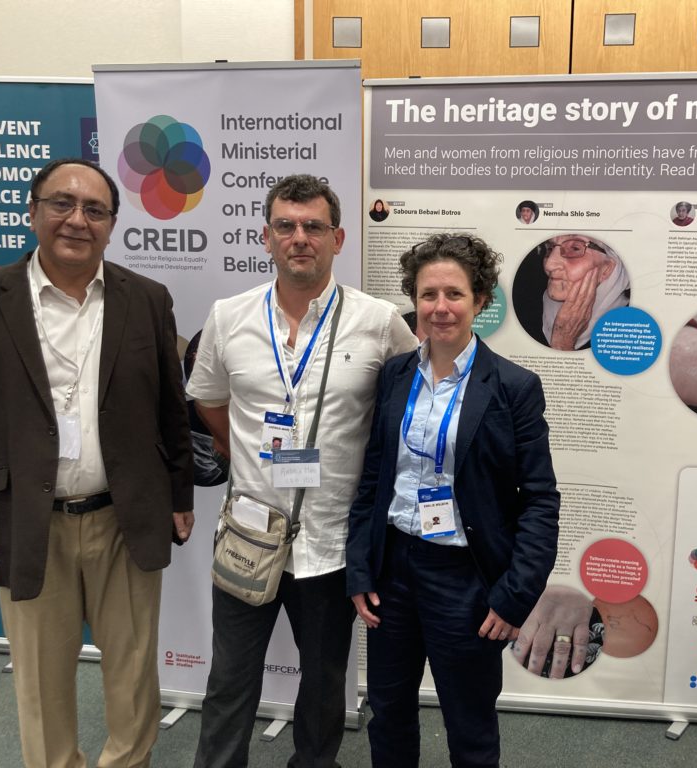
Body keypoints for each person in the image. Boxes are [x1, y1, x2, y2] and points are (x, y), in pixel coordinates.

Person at [0, 157, 195, 768]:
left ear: (112, 224)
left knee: (133, 672)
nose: (77, 220)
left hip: (124, 518)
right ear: (33, 212)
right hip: (26, 523)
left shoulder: (146, 299)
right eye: (62, 204)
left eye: (95, 210)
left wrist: (180, 494)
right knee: (42, 681)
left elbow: (169, 409)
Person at [187, 174, 416, 768]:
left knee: (324, 683)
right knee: (229, 680)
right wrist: (242, 454)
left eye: (314, 226)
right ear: (265, 236)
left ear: (337, 238)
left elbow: (412, 406)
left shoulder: (380, 321)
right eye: (285, 226)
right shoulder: (229, 316)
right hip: (250, 534)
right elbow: (208, 399)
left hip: (333, 542)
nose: (299, 238)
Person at [346, 233, 560, 767]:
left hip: (465, 579)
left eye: (454, 294)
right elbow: (373, 478)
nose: (440, 307)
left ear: (480, 300)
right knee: (388, 713)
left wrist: (515, 595)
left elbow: (539, 500)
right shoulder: (395, 375)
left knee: (469, 724)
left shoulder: (513, 387)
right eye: (428, 294)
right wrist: (361, 568)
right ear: (414, 300)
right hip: (393, 571)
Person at [516, 234, 630, 351]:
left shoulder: (626, 331)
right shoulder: (526, 306)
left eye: (575, 249)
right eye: (550, 248)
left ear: (607, 269)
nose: (549, 265)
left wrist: (563, 342)